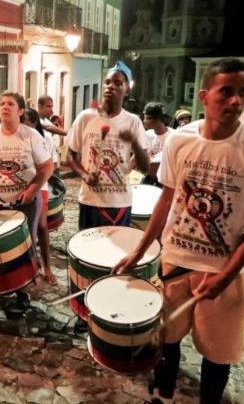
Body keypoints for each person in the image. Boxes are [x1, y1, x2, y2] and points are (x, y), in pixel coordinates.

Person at [114, 58, 244, 404]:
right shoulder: (181, 140)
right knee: (167, 340)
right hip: (176, 262)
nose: (236, 101)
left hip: (226, 270)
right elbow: (167, 199)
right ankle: (162, 396)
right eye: (226, 92)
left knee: (217, 355)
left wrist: (227, 274)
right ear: (205, 96)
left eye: (243, 93)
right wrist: (141, 250)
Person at [65, 61, 149, 333]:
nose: (111, 87)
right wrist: (82, 173)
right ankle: (83, 312)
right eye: (108, 82)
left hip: (119, 203)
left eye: (118, 83)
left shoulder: (133, 122)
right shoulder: (85, 118)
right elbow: (71, 157)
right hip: (90, 200)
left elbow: (146, 167)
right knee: (87, 259)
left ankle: (109, 309)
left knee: (114, 261)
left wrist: (133, 141)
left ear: (127, 89)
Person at [0, 91, 53, 313]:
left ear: (20, 111)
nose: (4, 107)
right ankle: (2, 284)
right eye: (1, 103)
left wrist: (32, 189)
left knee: (22, 246)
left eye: (10, 104)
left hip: (26, 202)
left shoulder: (31, 136)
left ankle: (22, 292)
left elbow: (47, 167)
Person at [23, 108, 58, 285]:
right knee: (25, 231)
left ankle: (47, 266)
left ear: (34, 123)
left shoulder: (46, 139)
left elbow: (53, 164)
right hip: (19, 189)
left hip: (40, 186)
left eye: (26, 123)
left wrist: (37, 180)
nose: (23, 126)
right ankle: (28, 269)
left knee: (42, 226)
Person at [142, 102, 173, 186]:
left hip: (167, 180)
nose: (144, 121)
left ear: (157, 119)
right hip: (150, 177)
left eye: (147, 118)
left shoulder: (173, 136)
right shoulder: (147, 134)